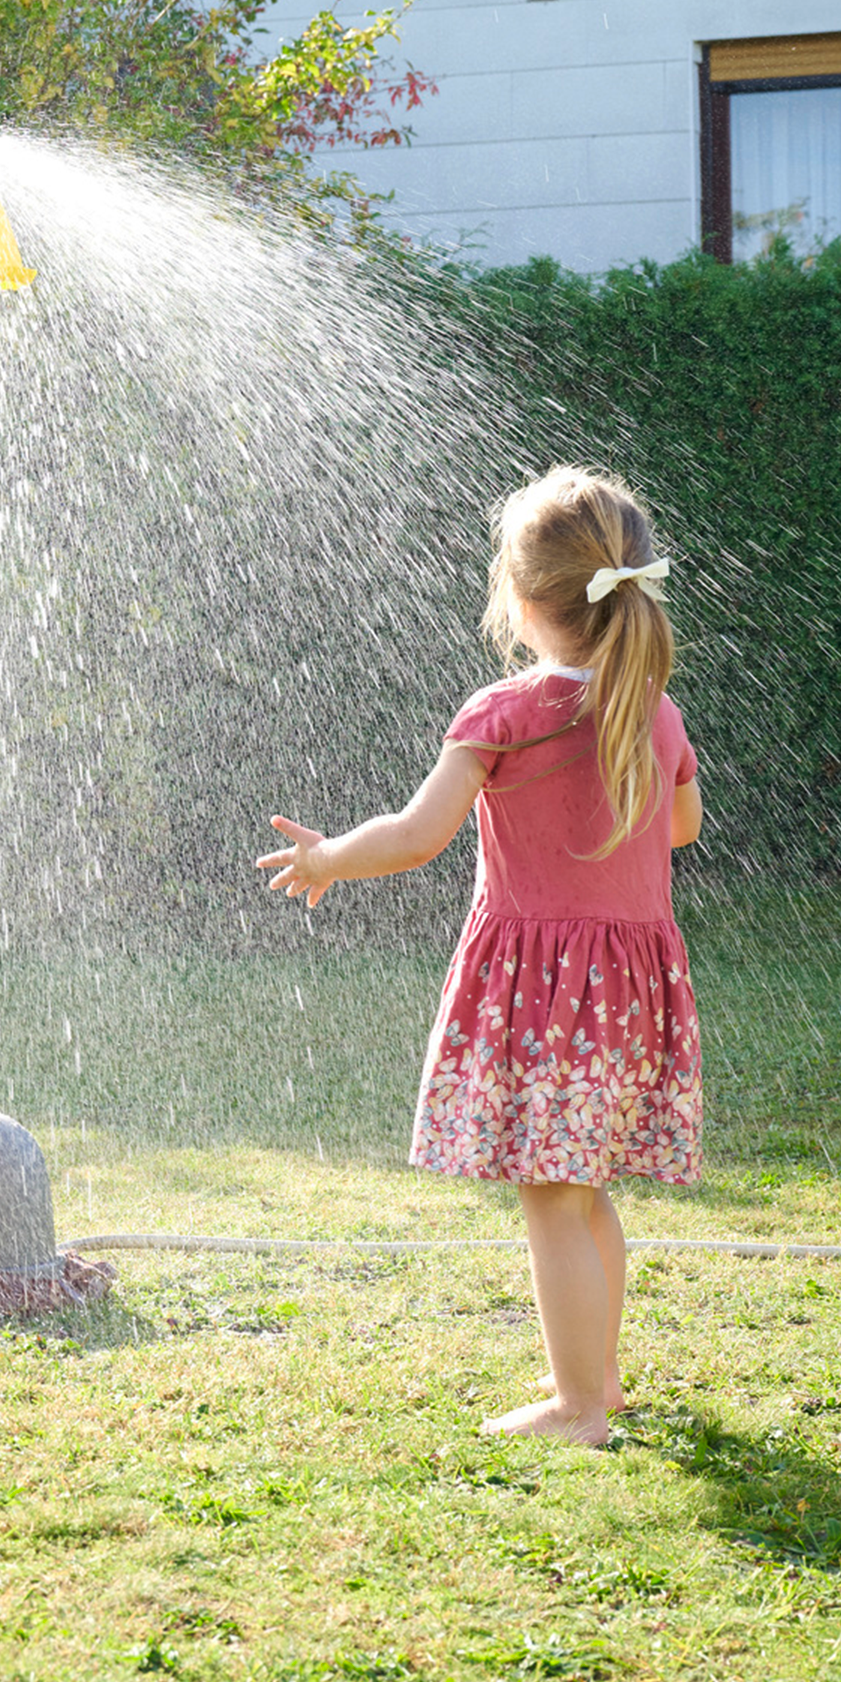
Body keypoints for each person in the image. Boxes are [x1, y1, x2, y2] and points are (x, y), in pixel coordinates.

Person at [256, 466, 703, 1446]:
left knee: (548, 1194)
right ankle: (600, 1379)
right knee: (581, 1192)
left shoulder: (505, 711)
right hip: (629, 991)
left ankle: (576, 1404)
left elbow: (417, 833)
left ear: (522, 600)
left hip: (545, 991)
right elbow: (679, 824)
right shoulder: (653, 710)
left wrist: (326, 855)